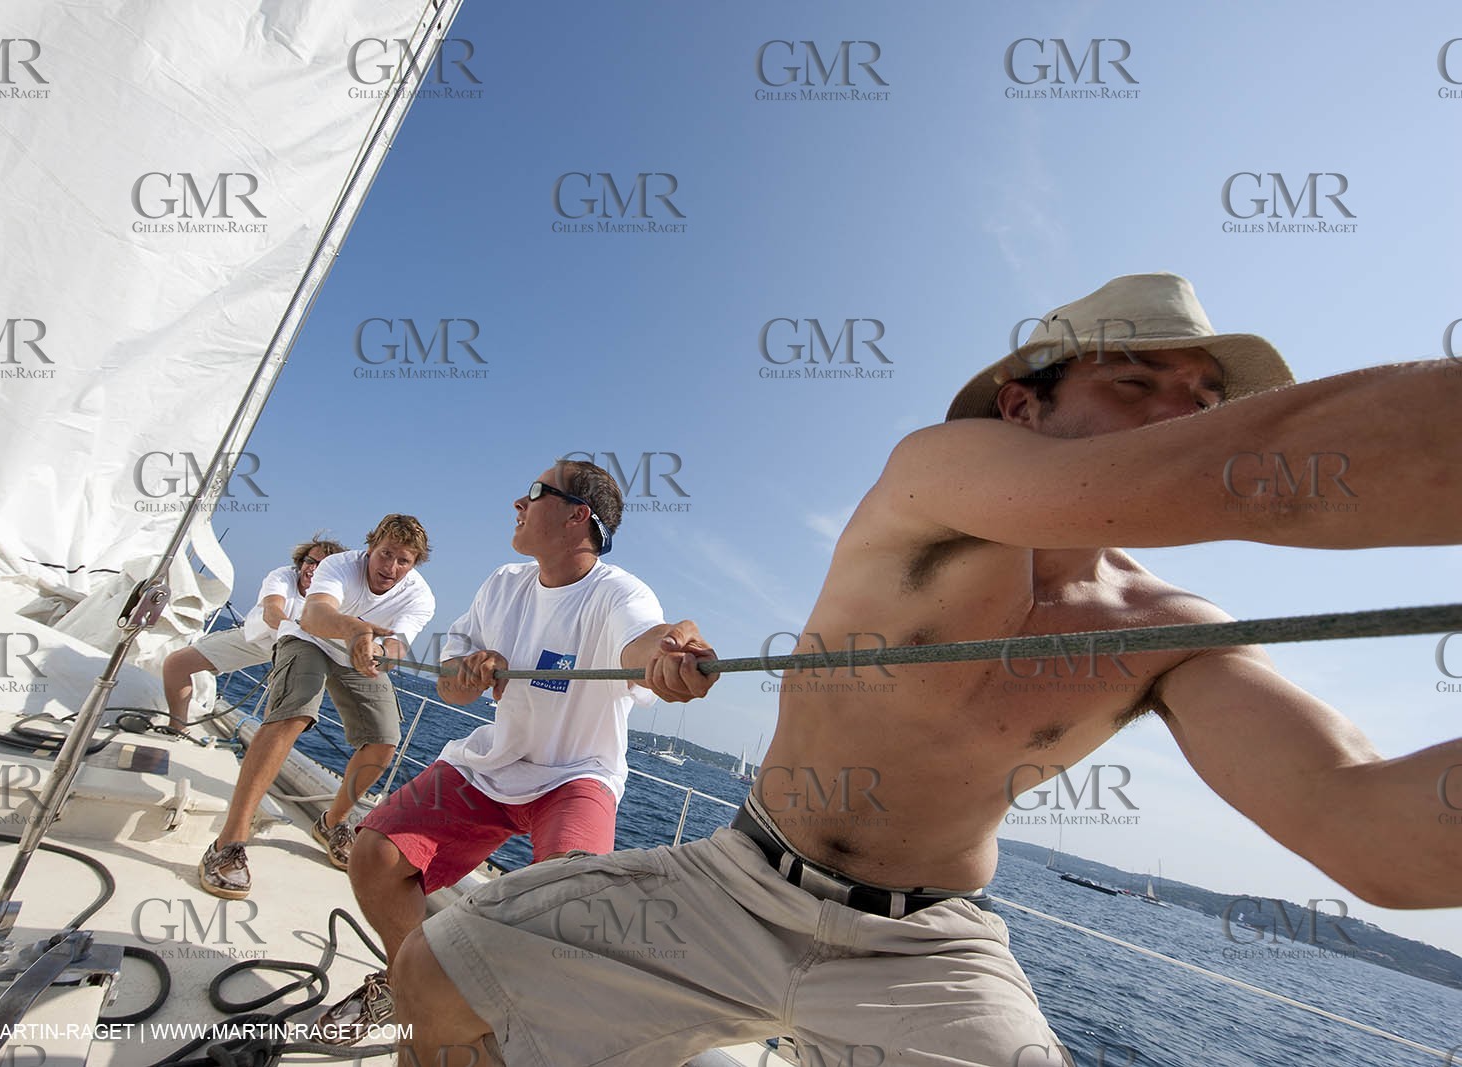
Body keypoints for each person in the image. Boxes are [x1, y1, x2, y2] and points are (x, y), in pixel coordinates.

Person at [384, 273, 1462, 1065]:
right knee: (432, 977)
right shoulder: (933, 476)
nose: (1182, 413)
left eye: (1202, 400)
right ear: (1022, 408)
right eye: (1138, 381)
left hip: (928, 948)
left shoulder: (1177, 629)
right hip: (737, 878)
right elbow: (1263, 478)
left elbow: (1375, 834)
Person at [312, 459, 716, 1043]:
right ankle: (407, 986)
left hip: (577, 777)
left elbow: (644, 642)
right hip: (494, 764)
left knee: (565, 912)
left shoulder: (617, 593)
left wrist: (673, 652)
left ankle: (502, 1026)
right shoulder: (503, 584)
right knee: (372, 857)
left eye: (534, 492)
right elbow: (450, 681)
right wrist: (468, 676)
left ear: (580, 517)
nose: (517, 503)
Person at [200, 514, 436, 899]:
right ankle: (228, 841)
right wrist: (358, 630)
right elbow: (314, 615)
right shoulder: (340, 565)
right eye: (385, 554)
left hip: (359, 654)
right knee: (292, 715)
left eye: (403, 560)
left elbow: (398, 645)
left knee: (384, 739)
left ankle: (332, 822)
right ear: (370, 547)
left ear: (414, 565)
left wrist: (377, 651)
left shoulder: (420, 596)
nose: (390, 568)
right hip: (308, 639)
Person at [162, 535, 345, 730]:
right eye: (310, 561)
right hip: (258, 637)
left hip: (297, 651)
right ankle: (177, 728)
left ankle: (260, 756)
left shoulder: (335, 595)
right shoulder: (283, 576)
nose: (313, 568)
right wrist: (296, 629)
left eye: (322, 566)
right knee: (177, 664)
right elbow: (272, 612)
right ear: (301, 562)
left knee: (280, 711)